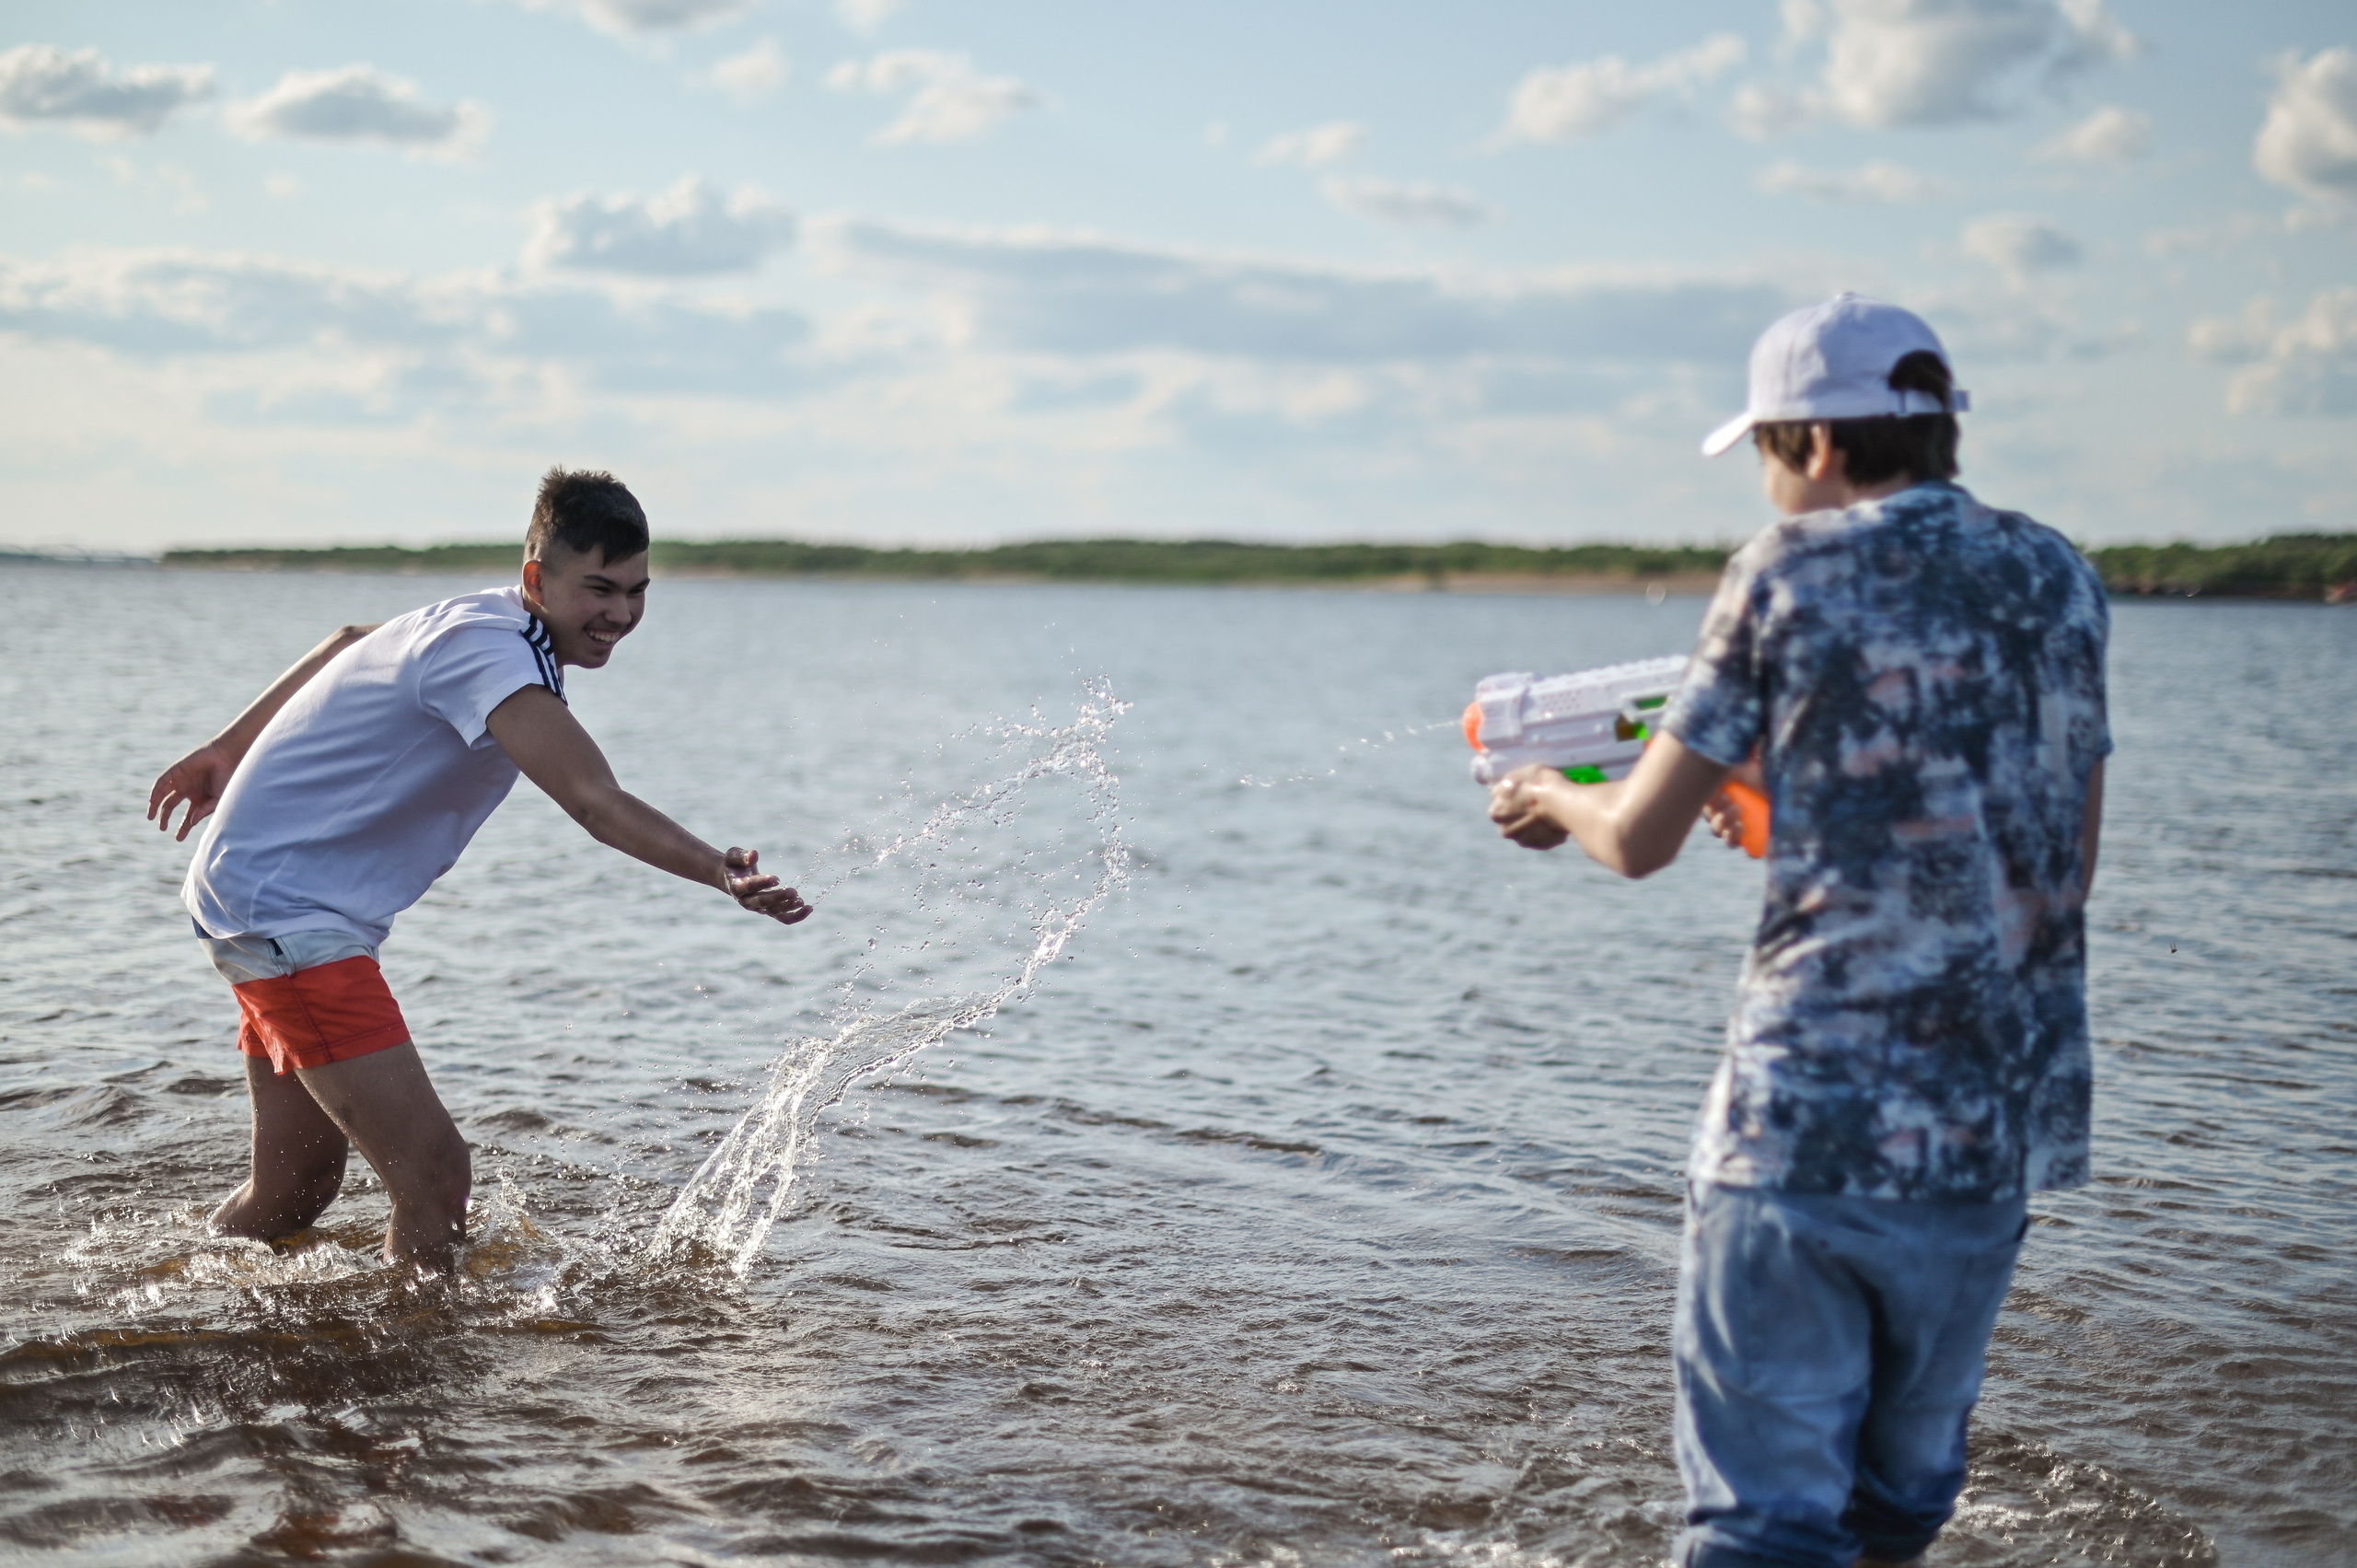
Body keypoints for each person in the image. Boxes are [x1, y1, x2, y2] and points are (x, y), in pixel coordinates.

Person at [1486, 295, 2108, 1568]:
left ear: (1818, 445)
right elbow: (2050, 865)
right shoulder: (2058, 574)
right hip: (1989, 1138)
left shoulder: (1785, 568)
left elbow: (1637, 839)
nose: (1773, 484)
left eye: (1769, 454)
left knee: (1762, 1520)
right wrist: (1785, 812)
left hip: (1805, 1127)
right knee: (1897, 1504)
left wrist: (1550, 792)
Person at [148, 468, 813, 1275]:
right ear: (538, 577)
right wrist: (719, 871)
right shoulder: (495, 653)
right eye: (599, 589)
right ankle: (419, 1382)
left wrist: (228, 747)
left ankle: (165, 1292)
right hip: (286, 917)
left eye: (637, 591)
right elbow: (594, 801)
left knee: (293, 1188)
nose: (621, 615)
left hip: (253, 898)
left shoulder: (488, 620)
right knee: (434, 1175)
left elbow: (353, 640)